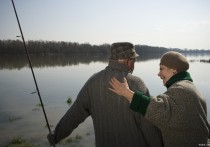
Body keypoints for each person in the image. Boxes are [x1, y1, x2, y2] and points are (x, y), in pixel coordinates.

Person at [47, 42, 163, 147]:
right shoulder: (136, 83)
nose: (134, 64)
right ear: (128, 60)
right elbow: (149, 125)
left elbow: (73, 116)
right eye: (134, 60)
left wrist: (55, 136)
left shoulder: (93, 81)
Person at [109, 51, 210, 147]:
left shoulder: (181, 90)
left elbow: (159, 109)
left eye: (161, 68)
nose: (158, 74)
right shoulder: (189, 87)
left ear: (173, 70)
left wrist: (128, 94)